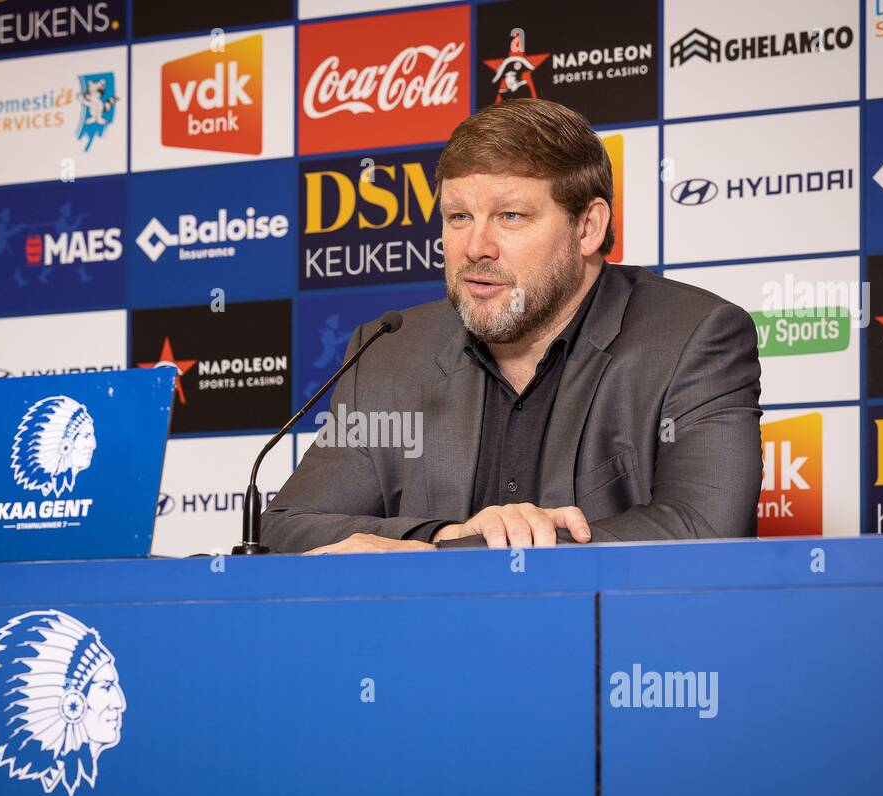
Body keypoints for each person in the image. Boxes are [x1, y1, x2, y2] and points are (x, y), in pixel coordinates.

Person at [264, 98, 762, 554]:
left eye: (510, 216)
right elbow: (285, 530)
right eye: (458, 216)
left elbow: (703, 531)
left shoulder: (695, 337)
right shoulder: (390, 352)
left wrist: (452, 555)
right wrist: (442, 533)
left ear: (588, 227)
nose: (476, 246)